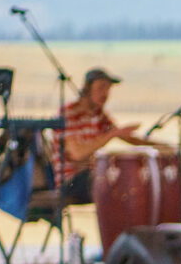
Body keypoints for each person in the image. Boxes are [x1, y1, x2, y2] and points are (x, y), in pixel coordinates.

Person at [56, 67, 165, 204]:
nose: (105, 94)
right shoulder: (69, 113)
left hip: (92, 176)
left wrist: (161, 146)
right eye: (101, 88)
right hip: (71, 180)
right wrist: (112, 134)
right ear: (87, 89)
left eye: (108, 89)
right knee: (119, 183)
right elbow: (77, 153)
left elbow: (126, 137)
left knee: (132, 178)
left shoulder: (99, 115)